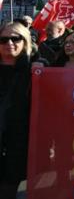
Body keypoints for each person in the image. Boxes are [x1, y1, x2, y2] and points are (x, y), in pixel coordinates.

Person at [0, 22, 42, 196]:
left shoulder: (36, 69)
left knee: (8, 189)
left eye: (15, 38)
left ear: (25, 41)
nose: (9, 43)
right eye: (3, 39)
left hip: (17, 142)